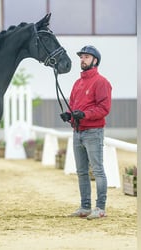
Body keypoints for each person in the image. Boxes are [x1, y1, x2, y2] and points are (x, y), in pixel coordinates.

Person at [60, 45, 112, 220]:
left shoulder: (101, 82)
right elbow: (74, 105)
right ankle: (85, 206)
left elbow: (104, 108)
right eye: (81, 57)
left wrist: (85, 115)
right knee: (81, 171)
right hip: (78, 132)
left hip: (93, 132)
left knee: (97, 170)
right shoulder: (78, 83)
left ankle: (101, 207)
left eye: (86, 57)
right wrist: (69, 115)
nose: (82, 60)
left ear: (95, 61)